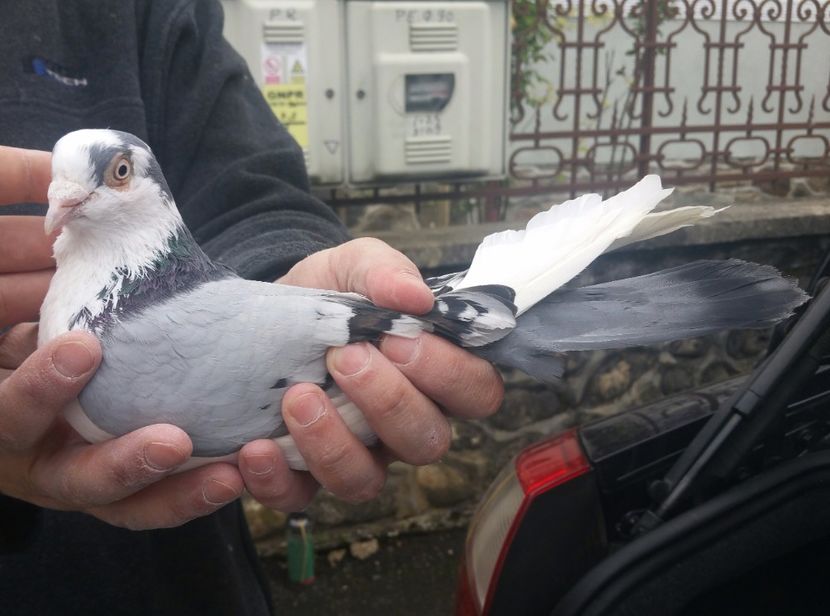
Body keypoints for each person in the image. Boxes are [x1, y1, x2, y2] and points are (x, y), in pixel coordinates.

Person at [0, 1, 504, 613]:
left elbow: (250, 191)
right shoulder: (99, 342)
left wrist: (283, 274)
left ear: (148, 186)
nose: (67, 200)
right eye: (66, 185)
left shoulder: (144, 14)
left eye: (120, 173)